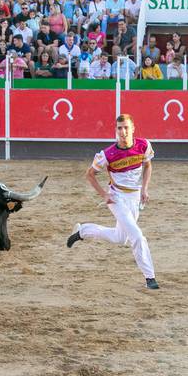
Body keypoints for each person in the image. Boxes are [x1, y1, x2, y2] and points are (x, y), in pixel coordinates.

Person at [66, 113, 159, 290]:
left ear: (133, 129)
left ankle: (82, 231)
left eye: (126, 127)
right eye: (119, 128)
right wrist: (104, 195)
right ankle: (150, 278)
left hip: (134, 197)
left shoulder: (144, 145)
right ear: (115, 130)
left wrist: (145, 189)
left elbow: (148, 165)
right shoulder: (108, 154)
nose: (122, 132)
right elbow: (89, 174)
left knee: (120, 238)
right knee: (137, 236)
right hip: (116, 198)